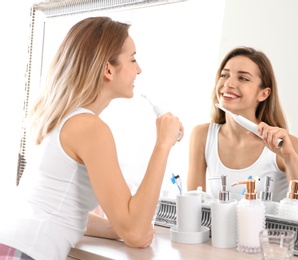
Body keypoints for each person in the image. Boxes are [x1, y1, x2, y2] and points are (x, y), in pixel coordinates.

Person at [0, 16, 183, 260]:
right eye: (133, 59)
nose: (139, 69)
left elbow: (63, 209)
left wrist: (112, 228)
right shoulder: (90, 128)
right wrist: (163, 144)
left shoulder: (64, 118)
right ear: (108, 68)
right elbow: (136, 233)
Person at [187, 46, 298, 223]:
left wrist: (289, 158)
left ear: (263, 93)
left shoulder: (288, 145)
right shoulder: (202, 136)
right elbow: (193, 209)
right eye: (224, 75)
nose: (228, 83)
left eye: (243, 78)